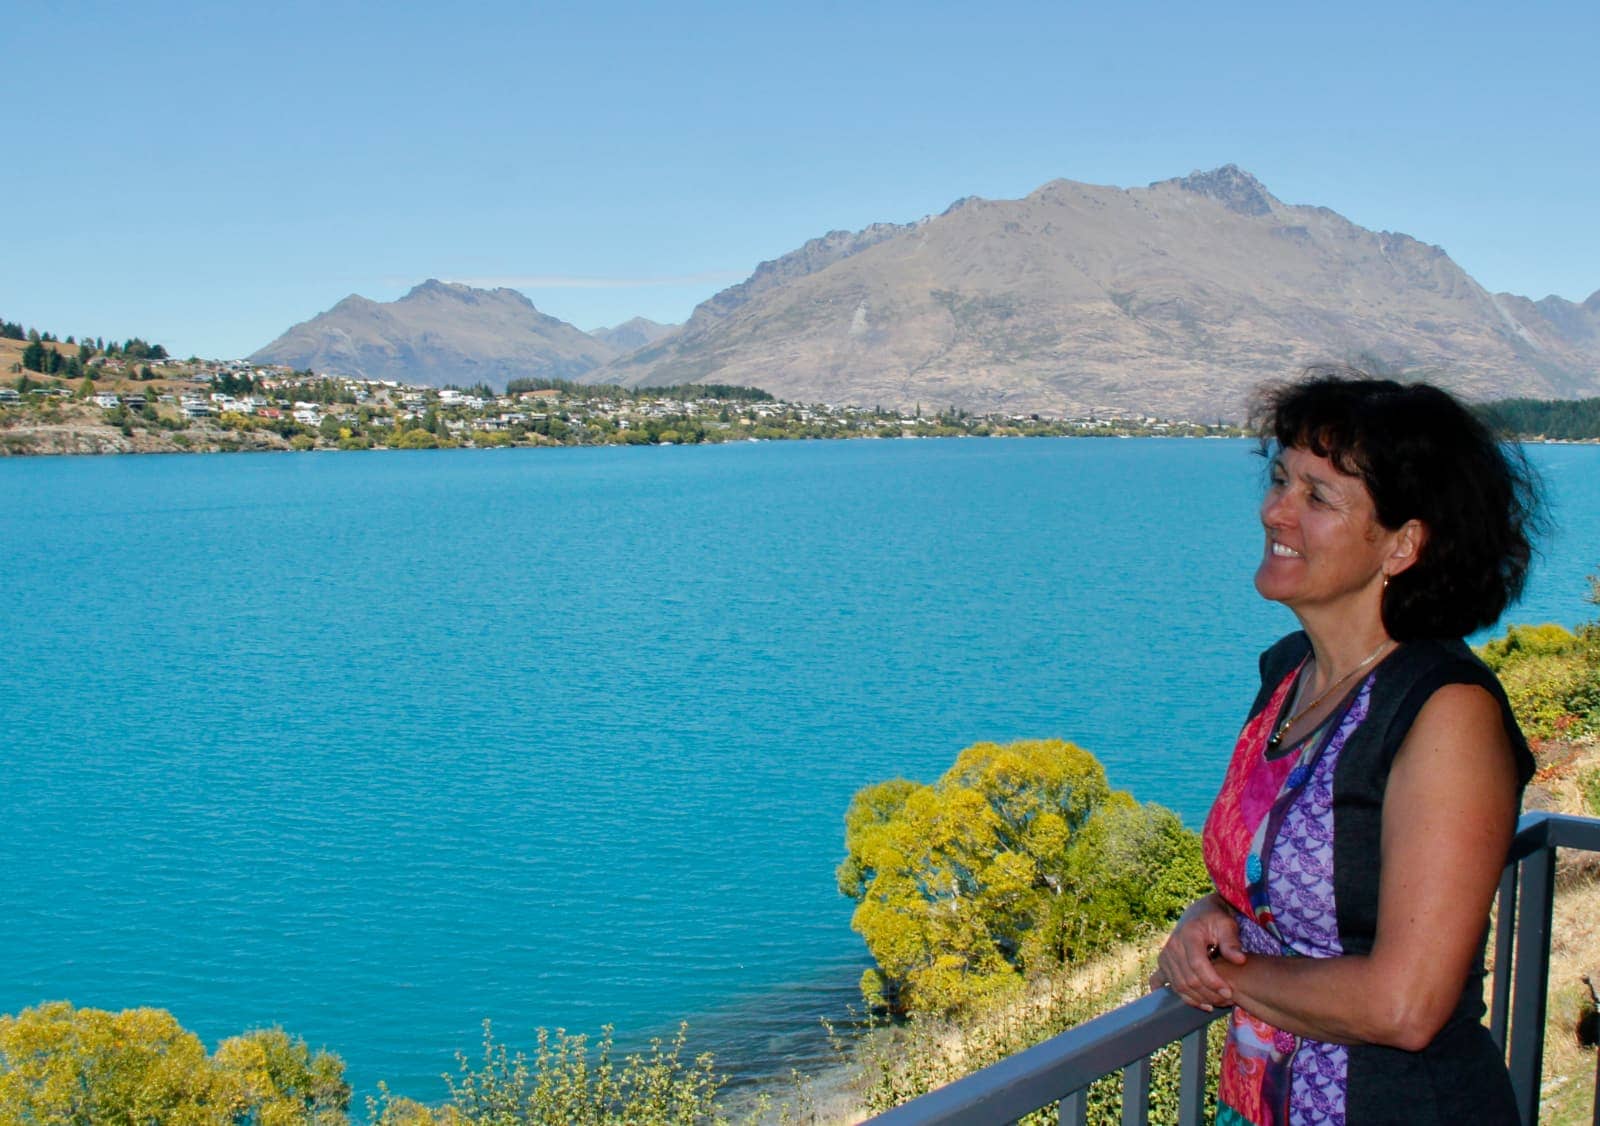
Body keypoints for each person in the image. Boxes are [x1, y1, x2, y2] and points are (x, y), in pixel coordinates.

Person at [1151, 368, 1541, 1125]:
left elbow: (1406, 1005)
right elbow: (1285, 878)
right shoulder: (1287, 674)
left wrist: (1229, 973)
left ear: (1402, 545)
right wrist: (1214, 912)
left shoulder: (1443, 713)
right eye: (1279, 480)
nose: (1275, 511)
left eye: (1317, 497)